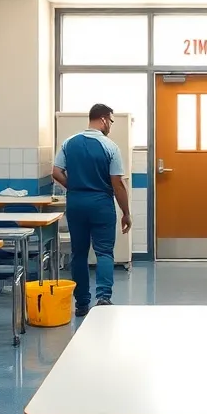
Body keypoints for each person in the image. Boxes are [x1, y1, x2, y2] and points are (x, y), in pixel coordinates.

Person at [52, 104, 132, 316]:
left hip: (76, 203)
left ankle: (81, 304)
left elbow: (56, 172)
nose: (111, 127)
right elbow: (117, 184)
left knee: (79, 253)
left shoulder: (69, 143)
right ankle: (103, 298)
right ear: (104, 120)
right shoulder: (110, 147)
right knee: (104, 251)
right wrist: (126, 212)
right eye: (111, 122)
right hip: (101, 204)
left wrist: (75, 187)